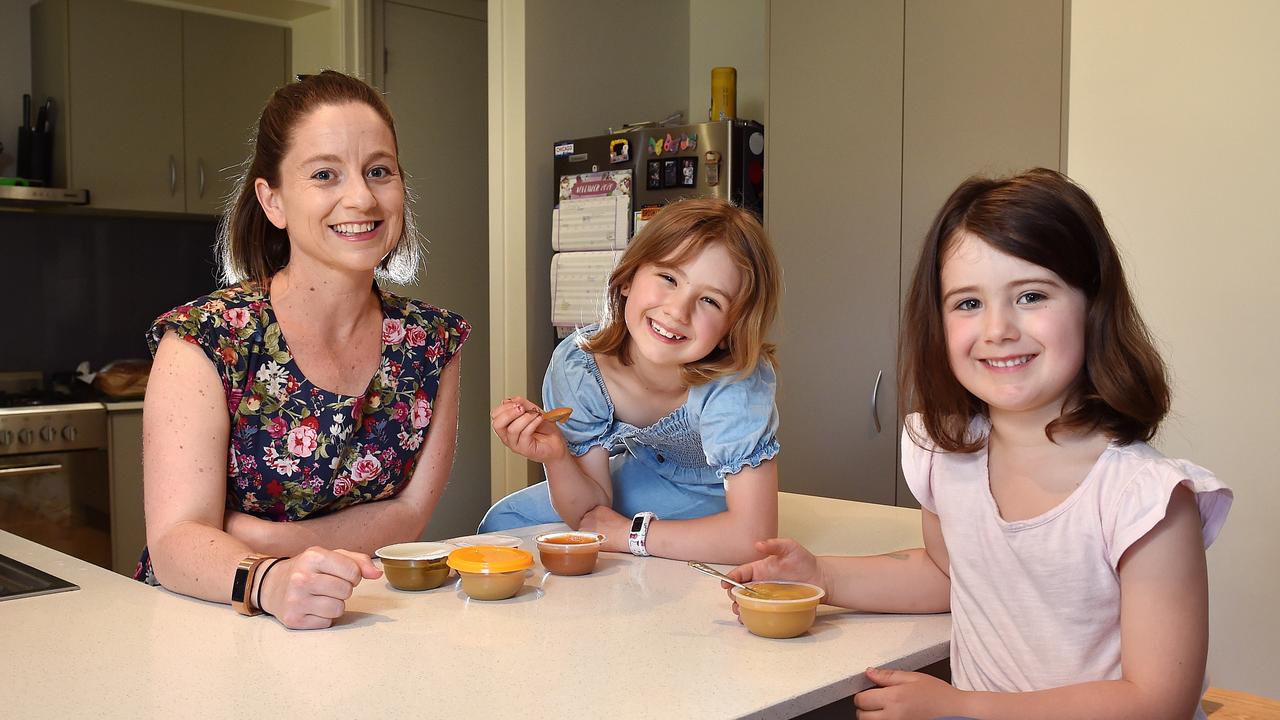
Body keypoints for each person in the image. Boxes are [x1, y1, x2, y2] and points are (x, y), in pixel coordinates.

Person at [726, 168, 1232, 719]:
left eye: (1031, 295)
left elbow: (1158, 702)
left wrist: (965, 707)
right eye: (968, 303)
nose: (997, 329)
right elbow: (949, 575)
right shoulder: (946, 455)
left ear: (1094, 306)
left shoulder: (1147, 500)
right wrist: (821, 576)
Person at [138, 71, 470, 630]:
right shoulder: (205, 339)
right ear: (273, 201)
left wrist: (268, 537)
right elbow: (175, 541)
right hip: (212, 625)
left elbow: (410, 518)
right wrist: (268, 578)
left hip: (363, 619)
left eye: (379, 171)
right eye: (324, 174)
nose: (361, 197)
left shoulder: (434, 343)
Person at [480, 198, 782, 564]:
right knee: (504, 521)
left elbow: (754, 538)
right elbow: (590, 512)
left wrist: (630, 534)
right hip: (640, 474)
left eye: (709, 301)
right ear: (628, 278)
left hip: (714, 498)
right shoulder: (580, 366)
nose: (677, 311)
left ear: (729, 330)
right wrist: (558, 457)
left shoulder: (734, 383)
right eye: (669, 278)